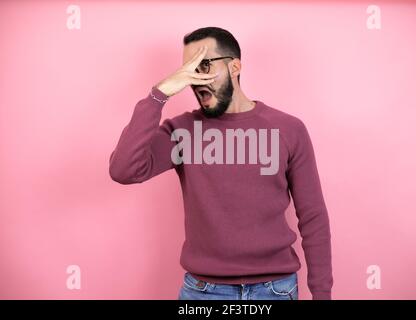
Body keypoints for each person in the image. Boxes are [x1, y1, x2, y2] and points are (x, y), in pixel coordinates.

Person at [109, 27, 333, 300]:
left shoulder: (288, 129)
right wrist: (160, 93)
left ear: (234, 66)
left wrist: (322, 294)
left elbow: (313, 217)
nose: (194, 78)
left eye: (204, 65)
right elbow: (123, 170)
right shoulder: (182, 131)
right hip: (203, 292)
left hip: (275, 290)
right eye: (188, 70)